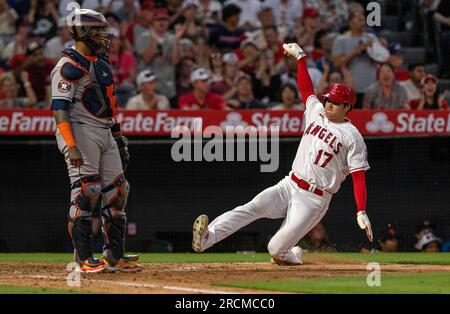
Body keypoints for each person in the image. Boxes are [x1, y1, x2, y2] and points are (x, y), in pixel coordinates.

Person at [191, 43, 373, 265]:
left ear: (348, 107)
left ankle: (292, 253)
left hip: (314, 199)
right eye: (328, 99)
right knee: (252, 207)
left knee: (275, 249)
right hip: (290, 184)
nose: (329, 104)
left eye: (336, 102)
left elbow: (358, 177)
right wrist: (300, 59)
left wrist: (361, 210)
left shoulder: (352, 136)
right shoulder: (316, 111)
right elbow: (306, 89)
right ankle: (207, 238)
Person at [50, 9, 139, 273]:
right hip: (78, 129)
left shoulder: (101, 61)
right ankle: (83, 258)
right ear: (82, 32)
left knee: (118, 191)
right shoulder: (67, 67)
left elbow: (110, 104)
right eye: (98, 31)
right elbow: (59, 110)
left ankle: (114, 257)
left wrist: (118, 135)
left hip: (104, 129)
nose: (104, 36)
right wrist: (71, 144)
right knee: (87, 192)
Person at [332, 11, 379, 108]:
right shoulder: (341, 40)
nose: (364, 23)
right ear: (351, 23)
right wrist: (355, 52)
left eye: (364, 20)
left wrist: (375, 51)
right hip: (351, 88)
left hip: (372, 87)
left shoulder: (371, 38)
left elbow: (381, 59)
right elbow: (336, 63)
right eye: (360, 20)